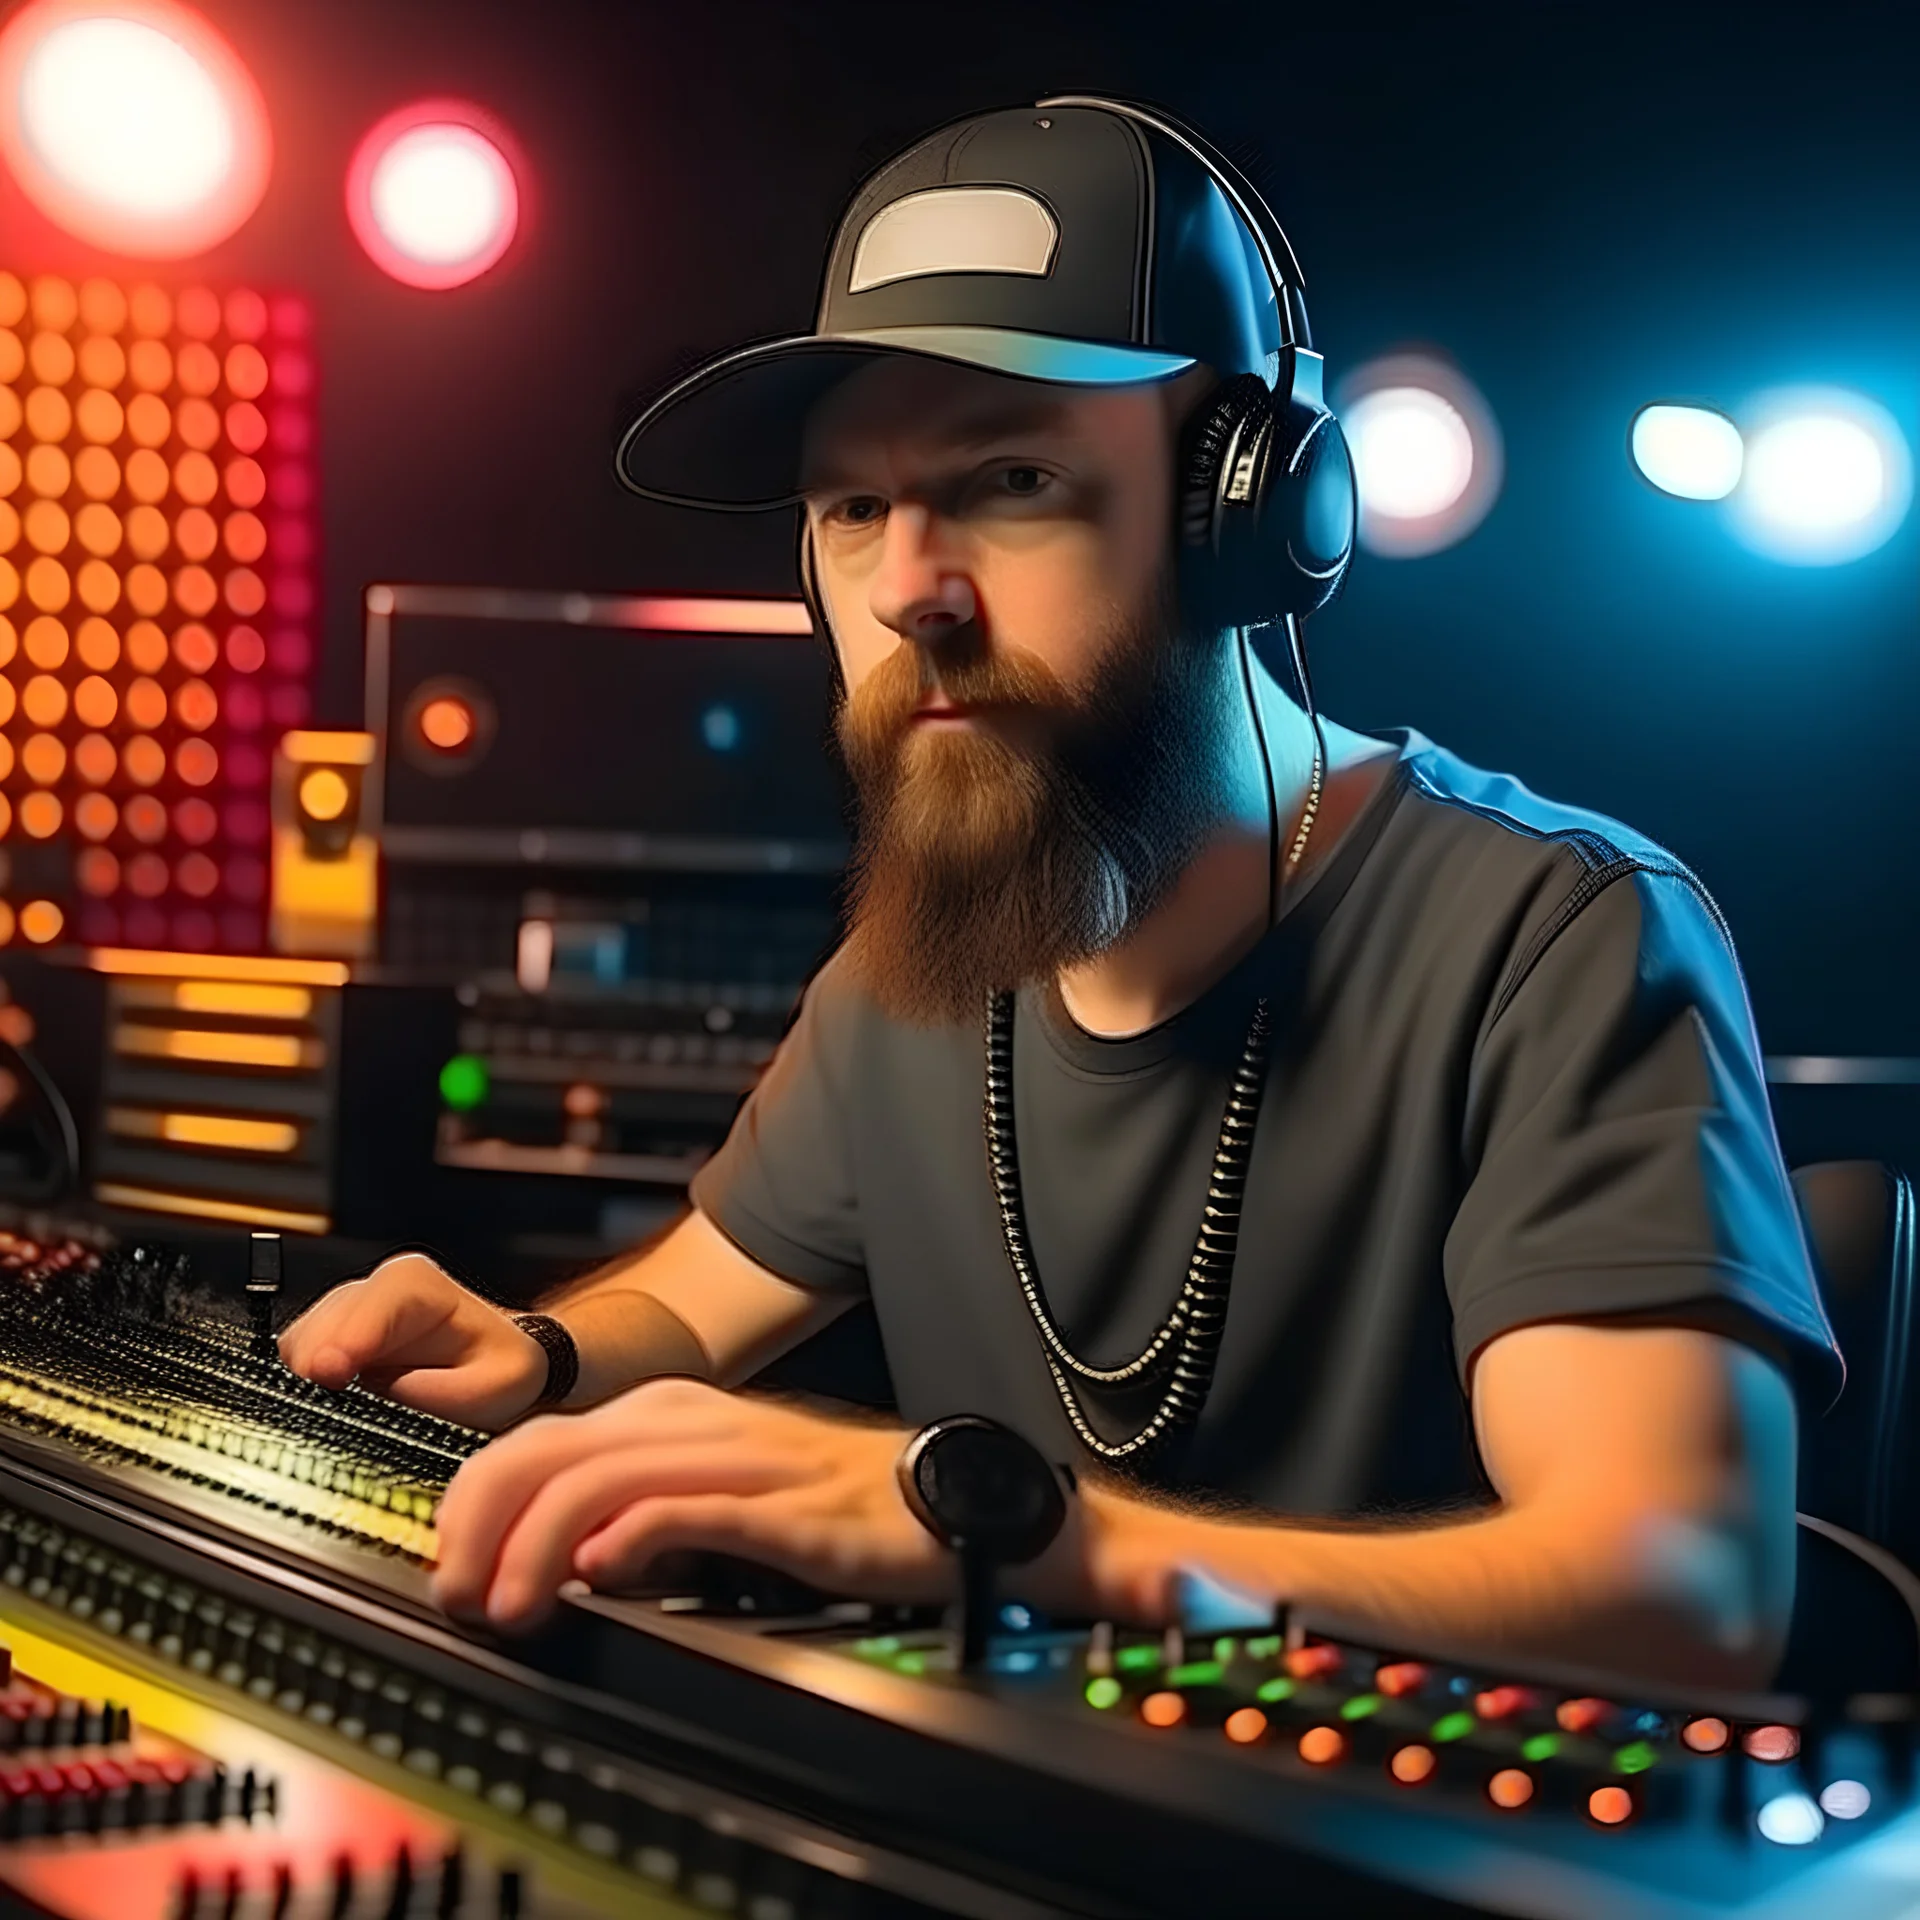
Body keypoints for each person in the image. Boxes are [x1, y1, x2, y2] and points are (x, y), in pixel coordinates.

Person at [283, 98, 1835, 1688]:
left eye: (1011, 478)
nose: (907, 588)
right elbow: (684, 1313)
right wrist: (532, 1355)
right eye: (853, 509)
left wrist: (1039, 1545)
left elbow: (1680, 1592)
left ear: (1245, 516)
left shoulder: (1557, 939)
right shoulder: (921, 962)